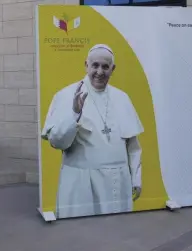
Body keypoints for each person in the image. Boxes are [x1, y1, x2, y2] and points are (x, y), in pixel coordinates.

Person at [41, 44, 144, 218]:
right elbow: (56, 142)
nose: (100, 72)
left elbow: (133, 146)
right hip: (80, 182)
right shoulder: (66, 95)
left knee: (116, 236)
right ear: (86, 65)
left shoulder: (122, 98)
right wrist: (74, 114)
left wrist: (136, 177)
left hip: (117, 182)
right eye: (95, 65)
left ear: (113, 69)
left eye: (105, 67)